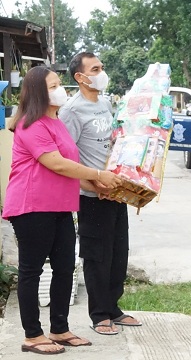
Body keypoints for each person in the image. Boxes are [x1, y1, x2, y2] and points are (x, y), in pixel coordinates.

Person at [2, 66, 122, 354]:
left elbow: (68, 170)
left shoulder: (56, 123)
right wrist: (97, 173)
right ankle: (33, 335)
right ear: (38, 93)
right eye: (53, 86)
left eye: (59, 84)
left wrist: (96, 186)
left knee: (65, 268)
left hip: (61, 206)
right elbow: (55, 163)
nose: (61, 90)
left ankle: (59, 329)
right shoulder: (31, 125)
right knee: (31, 271)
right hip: (32, 207)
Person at [60, 52, 142, 335]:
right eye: (95, 69)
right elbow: (66, 160)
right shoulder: (71, 110)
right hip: (92, 198)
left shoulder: (106, 103)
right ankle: (98, 315)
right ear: (80, 77)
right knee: (97, 256)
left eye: (102, 68)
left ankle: (113, 308)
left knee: (119, 254)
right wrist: (92, 185)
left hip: (117, 193)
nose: (101, 73)